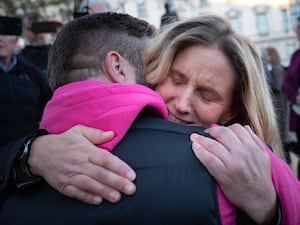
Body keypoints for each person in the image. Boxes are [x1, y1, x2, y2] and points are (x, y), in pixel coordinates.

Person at [1, 12, 299, 225]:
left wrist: (268, 209)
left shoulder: (255, 163)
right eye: (176, 79)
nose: (182, 104)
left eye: (207, 96)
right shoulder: (46, 148)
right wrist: (28, 154)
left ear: (233, 110)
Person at [0, 30, 52, 147]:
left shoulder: (31, 73)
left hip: (28, 152)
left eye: (4, 34)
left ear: (14, 41)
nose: (0, 39)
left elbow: (49, 102)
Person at [264, 47, 290, 162]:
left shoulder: (277, 69)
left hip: (280, 104)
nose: (266, 57)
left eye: (267, 55)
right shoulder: (274, 68)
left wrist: (267, 86)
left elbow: (278, 86)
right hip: (279, 104)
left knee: (284, 135)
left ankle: (287, 159)